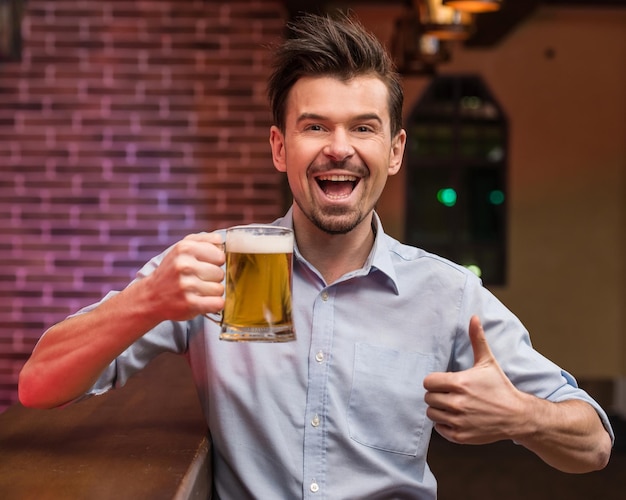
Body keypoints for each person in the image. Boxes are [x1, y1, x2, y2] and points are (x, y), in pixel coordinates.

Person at [19, 12, 612, 499]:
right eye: (314, 127)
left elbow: (594, 445)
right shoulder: (224, 265)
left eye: (363, 128)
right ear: (280, 147)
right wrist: (146, 301)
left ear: (395, 149)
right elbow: (38, 385)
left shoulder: (446, 294)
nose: (339, 149)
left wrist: (523, 417)